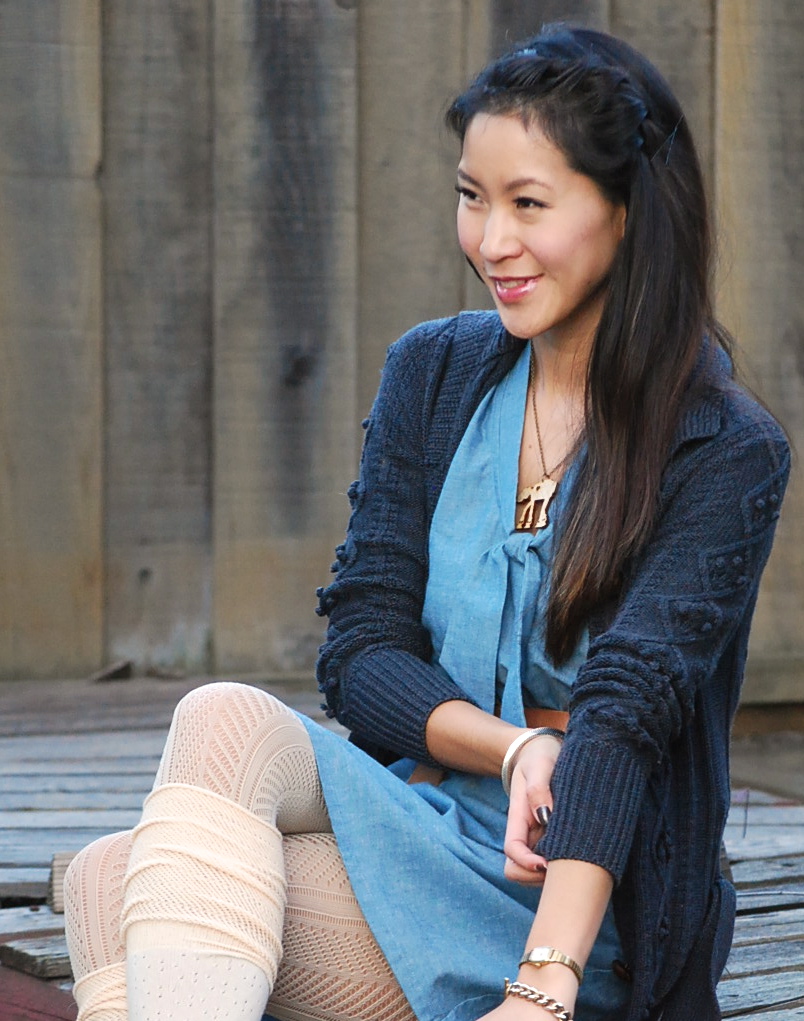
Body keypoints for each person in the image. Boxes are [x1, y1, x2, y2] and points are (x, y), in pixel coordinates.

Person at [63, 23, 790, 1021]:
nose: (492, 241)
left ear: (625, 214)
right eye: (472, 197)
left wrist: (543, 989)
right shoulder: (435, 371)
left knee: (119, 882)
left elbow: (625, 716)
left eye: (529, 204)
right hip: (428, 806)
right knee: (209, 730)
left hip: (579, 893)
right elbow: (363, 651)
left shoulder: (723, 445)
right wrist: (513, 747)